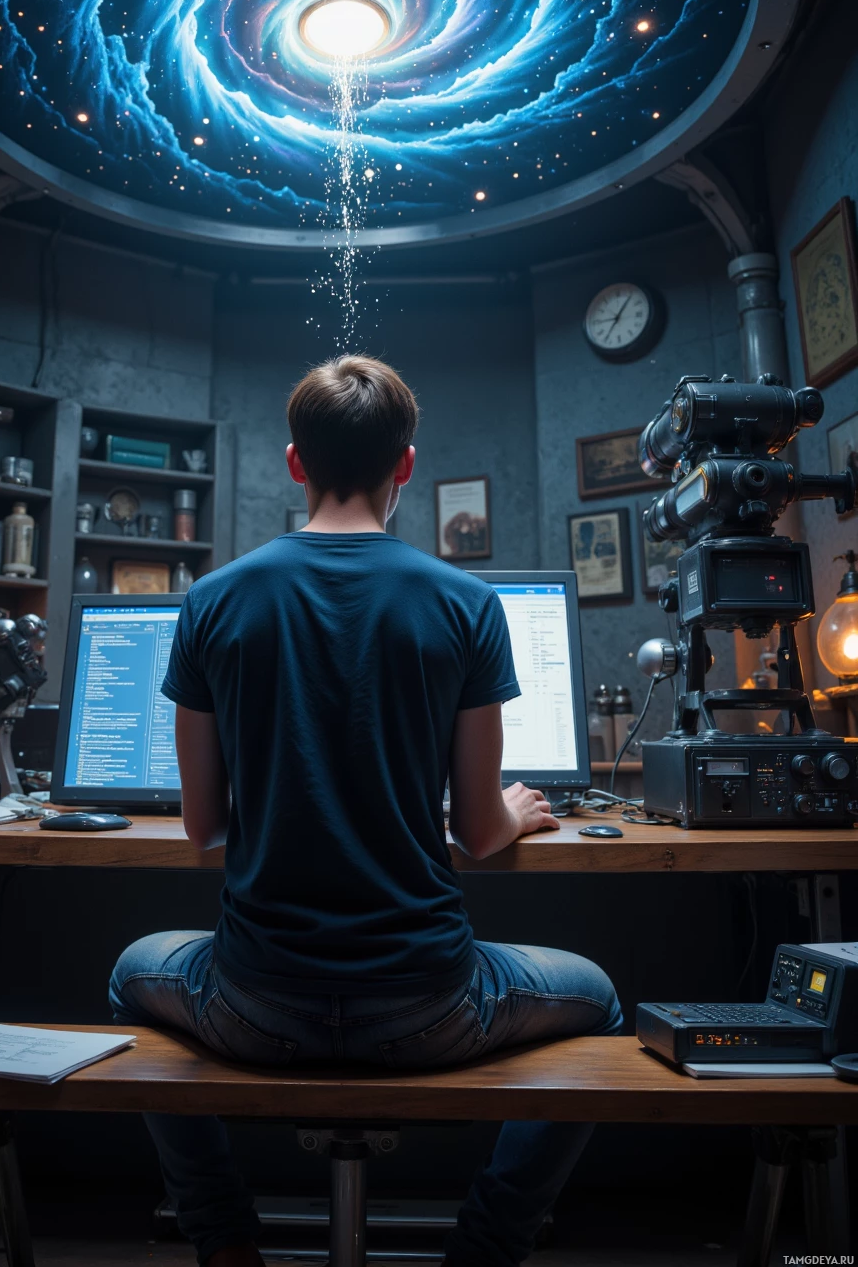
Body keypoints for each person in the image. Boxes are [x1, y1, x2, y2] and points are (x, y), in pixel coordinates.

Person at [110, 355, 622, 1267]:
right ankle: (486, 1248)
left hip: (251, 1000)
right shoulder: (467, 603)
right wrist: (516, 812)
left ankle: (225, 1242)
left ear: (295, 464)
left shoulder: (213, 600)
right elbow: (475, 830)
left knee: (129, 973)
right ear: (409, 465)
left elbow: (202, 826)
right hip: (428, 1003)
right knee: (601, 997)